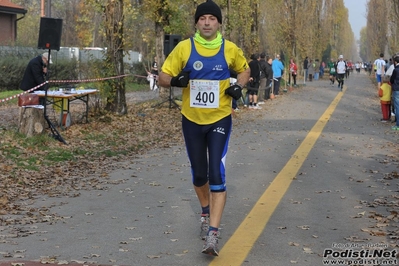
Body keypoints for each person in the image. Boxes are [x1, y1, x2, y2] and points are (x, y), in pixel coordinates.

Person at [158, 0, 250, 256]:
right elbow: (163, 78)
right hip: (192, 120)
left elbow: (245, 70)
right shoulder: (184, 48)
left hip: (220, 119)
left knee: (216, 173)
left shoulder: (229, 49)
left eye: (212, 18)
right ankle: (205, 210)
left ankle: (213, 233)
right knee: (200, 175)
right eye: (202, 19)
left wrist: (239, 86)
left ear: (219, 23)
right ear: (197, 23)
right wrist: (176, 80)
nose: (207, 22)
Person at [390, 55, 399, 130]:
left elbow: (391, 80)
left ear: (395, 62)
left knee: (397, 107)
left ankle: (398, 124)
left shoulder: (395, 70)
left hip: (396, 90)